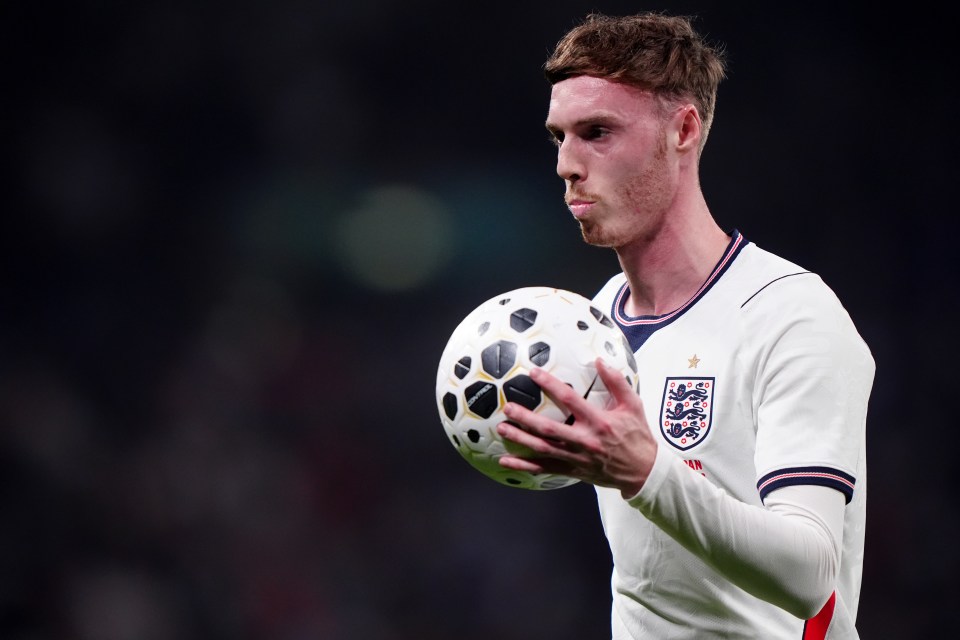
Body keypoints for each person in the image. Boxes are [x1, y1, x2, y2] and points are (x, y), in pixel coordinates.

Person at [495, 11, 875, 639]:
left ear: (685, 130)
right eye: (558, 137)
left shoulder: (790, 315)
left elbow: (811, 575)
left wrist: (648, 473)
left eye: (597, 132)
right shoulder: (593, 322)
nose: (567, 164)